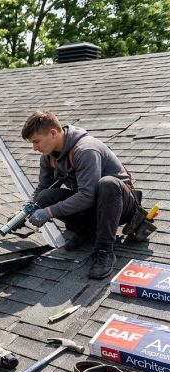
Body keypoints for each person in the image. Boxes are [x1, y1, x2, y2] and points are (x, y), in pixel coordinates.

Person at [22, 110, 137, 279]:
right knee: (44, 197)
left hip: (119, 206)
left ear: (53, 133)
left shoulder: (85, 149)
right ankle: (87, 230)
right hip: (92, 207)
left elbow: (87, 196)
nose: (34, 148)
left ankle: (105, 250)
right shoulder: (48, 157)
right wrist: (24, 211)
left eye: (37, 142)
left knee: (108, 184)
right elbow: (41, 190)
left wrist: (48, 212)